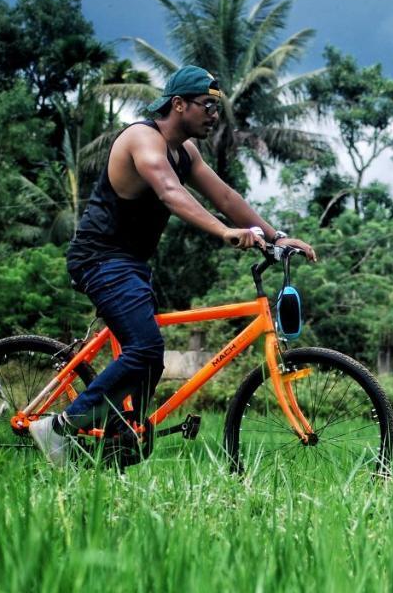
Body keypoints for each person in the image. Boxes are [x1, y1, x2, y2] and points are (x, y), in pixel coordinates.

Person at [29, 65, 316, 464]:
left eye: (217, 107)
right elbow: (168, 191)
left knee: (148, 360)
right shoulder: (142, 139)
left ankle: (119, 440)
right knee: (145, 347)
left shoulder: (186, 152)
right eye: (207, 106)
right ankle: (58, 428)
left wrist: (276, 236)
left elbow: (227, 197)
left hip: (131, 265)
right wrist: (223, 232)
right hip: (100, 258)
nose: (214, 115)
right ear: (178, 104)